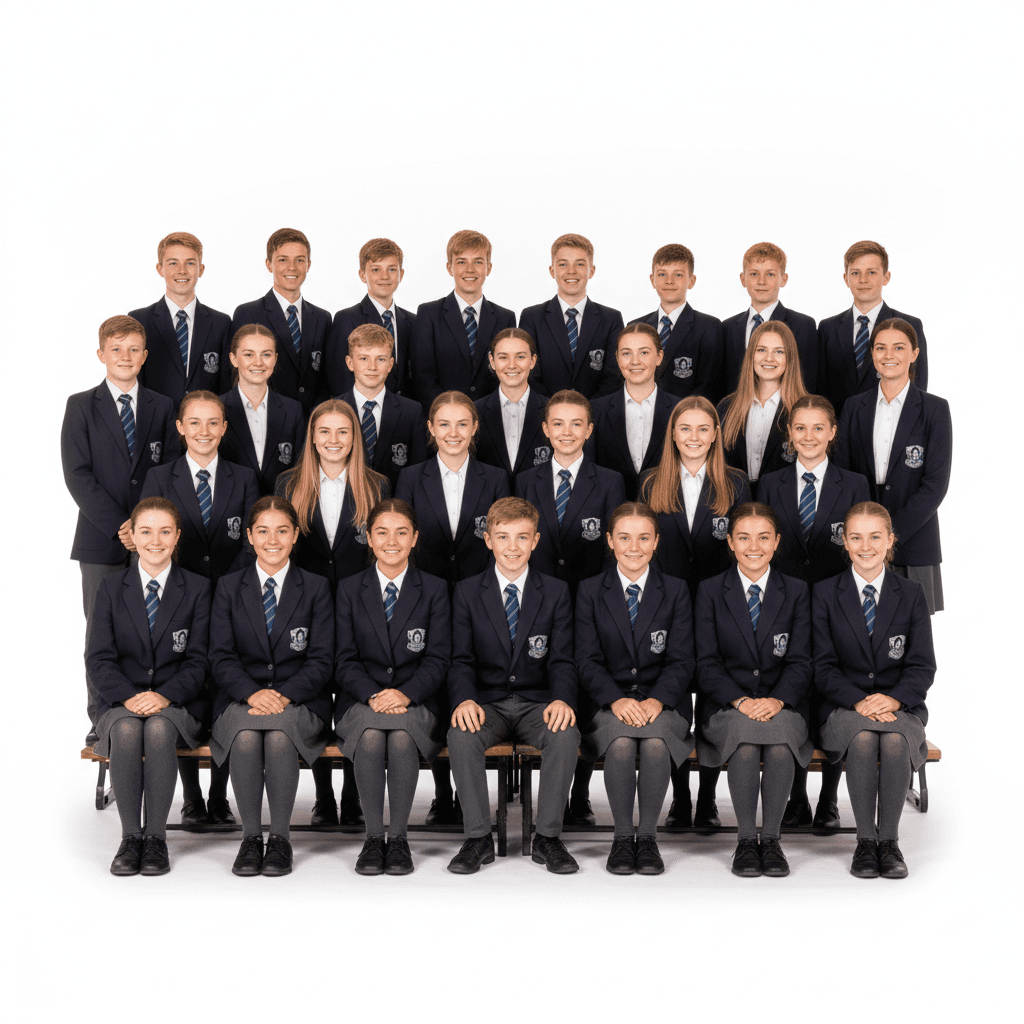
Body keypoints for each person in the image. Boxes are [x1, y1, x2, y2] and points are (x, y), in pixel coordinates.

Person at [141, 389, 259, 825]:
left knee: (223, 692)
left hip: (231, 599)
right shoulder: (159, 477)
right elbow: (156, 538)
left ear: (225, 429)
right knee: (187, 691)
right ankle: (191, 798)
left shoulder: (243, 477)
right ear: (180, 427)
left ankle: (218, 796)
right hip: (180, 601)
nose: (204, 431)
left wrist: (233, 591)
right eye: (195, 422)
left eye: (213, 423)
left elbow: (252, 541)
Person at [446, 498, 580, 875]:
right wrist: (464, 699)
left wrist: (562, 698)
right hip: (486, 702)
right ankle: (477, 838)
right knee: (460, 734)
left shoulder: (554, 591)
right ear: (488, 539)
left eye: (522, 537)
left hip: (537, 701)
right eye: (503, 537)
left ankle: (548, 838)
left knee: (566, 733)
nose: (512, 546)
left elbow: (563, 659)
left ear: (535, 540)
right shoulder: (468, 591)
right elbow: (460, 659)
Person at [62, 315, 179, 744]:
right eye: (116, 350)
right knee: (102, 633)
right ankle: (104, 721)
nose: (125, 357)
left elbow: (166, 469)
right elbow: (77, 475)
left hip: (155, 539)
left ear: (145, 356)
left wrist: (145, 526)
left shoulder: (163, 407)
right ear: (101, 355)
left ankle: (155, 711)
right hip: (100, 540)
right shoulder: (80, 406)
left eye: (133, 350)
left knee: (156, 630)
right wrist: (120, 526)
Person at [394, 390, 509, 825]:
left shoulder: (495, 478)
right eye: (444, 424)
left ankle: (471, 794)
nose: (453, 432)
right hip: (427, 596)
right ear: (430, 428)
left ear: (475, 428)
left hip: (480, 598)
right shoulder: (410, 477)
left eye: (463, 424)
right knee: (438, 687)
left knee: (469, 685)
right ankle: (444, 795)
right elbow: (407, 536)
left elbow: (500, 534)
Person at [757, 394, 871, 830]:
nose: (809, 437)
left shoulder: (854, 483)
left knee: (831, 690)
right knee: (795, 689)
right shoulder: (770, 483)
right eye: (800, 428)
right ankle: (797, 797)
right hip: (782, 601)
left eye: (818, 428)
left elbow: (858, 543)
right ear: (790, 434)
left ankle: (828, 798)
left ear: (832, 432)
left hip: (833, 600)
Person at [638, 395, 752, 828]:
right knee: (672, 698)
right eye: (685, 429)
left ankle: (706, 797)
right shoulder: (652, 482)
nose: (694, 437)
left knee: (709, 695)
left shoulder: (736, 483)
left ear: (716, 434)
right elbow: (641, 542)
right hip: (664, 604)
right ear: (672, 433)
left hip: (719, 604)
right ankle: (680, 797)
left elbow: (746, 541)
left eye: (704, 429)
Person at [275, 399, 390, 825]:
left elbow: (383, 545)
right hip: (307, 605)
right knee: (318, 691)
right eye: (324, 432)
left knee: (360, 689)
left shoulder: (376, 485)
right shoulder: (288, 484)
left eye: (343, 432)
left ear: (355, 437)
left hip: (361, 604)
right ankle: (323, 795)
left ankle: (355, 795)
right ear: (312, 437)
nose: (333, 440)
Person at [516, 389, 626, 826]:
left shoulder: (610, 480)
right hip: (540, 601)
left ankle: (578, 794)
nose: (567, 432)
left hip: (592, 598)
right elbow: (520, 537)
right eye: (558, 424)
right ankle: (549, 795)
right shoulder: (526, 479)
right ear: (545, 430)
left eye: (576, 424)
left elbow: (614, 542)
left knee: (578, 688)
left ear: (590, 430)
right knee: (549, 687)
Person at [209, 497, 334, 876]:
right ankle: (250, 839)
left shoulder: (315, 587)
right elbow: (220, 656)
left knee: (279, 737)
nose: (272, 539)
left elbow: (322, 659)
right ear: (249, 536)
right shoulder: (229, 587)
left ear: (295, 535)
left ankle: (279, 839)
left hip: (299, 701)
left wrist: (283, 694)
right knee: (246, 737)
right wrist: (252, 693)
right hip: (241, 698)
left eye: (282, 530)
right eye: (263, 531)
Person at [88, 497, 211, 876]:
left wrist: (163, 695)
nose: (154, 540)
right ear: (133, 537)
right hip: (120, 701)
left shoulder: (198, 588)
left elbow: (200, 660)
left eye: (164, 531)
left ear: (177, 537)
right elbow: (98, 658)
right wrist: (129, 697)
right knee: (126, 729)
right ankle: (130, 838)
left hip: (178, 702)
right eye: (145, 531)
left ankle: (155, 838)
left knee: (158, 729)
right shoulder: (110, 588)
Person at [812, 502, 935, 878]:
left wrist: (894, 698)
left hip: (901, 706)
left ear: (890, 541)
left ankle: (890, 843)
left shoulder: (911, 594)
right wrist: (859, 700)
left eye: (875, 537)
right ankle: (866, 843)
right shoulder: (825, 593)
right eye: (856, 537)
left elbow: (922, 666)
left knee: (895, 741)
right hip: (842, 707)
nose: (866, 546)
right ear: (845, 543)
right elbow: (822, 665)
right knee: (864, 739)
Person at [575, 503, 695, 875]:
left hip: (665, 703)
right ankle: (622, 838)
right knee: (623, 744)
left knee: (657, 744)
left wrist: (658, 699)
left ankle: (648, 838)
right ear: (610, 541)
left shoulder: (675, 590)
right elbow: (586, 659)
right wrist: (615, 698)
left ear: (656, 542)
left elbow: (682, 659)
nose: (634, 546)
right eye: (624, 537)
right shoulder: (590, 590)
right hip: (609, 703)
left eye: (644, 538)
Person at [694, 503, 813, 877]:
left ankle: (772, 840)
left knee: (778, 743)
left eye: (763, 537)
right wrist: (742, 700)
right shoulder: (710, 590)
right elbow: (705, 662)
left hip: (783, 706)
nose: (753, 546)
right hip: (726, 707)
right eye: (743, 537)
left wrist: (777, 699)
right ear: (730, 542)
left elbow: (802, 661)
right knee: (745, 742)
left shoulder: (796, 591)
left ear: (777, 542)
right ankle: (747, 841)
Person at [335, 500, 451, 875]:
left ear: (414, 538)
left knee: (401, 739)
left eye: (402, 532)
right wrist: (372, 694)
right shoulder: (350, 589)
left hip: (415, 699)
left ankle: (398, 839)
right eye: (382, 532)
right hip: (361, 699)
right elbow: (343, 659)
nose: (392, 541)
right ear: (369, 538)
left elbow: (439, 658)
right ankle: (372, 838)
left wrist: (405, 693)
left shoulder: (434, 589)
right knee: (370, 738)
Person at [836, 319, 951, 614]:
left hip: (914, 541)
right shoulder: (853, 407)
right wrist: (867, 538)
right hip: (861, 546)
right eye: (881, 347)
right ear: (872, 354)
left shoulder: (935, 410)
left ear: (914, 353)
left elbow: (935, 485)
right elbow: (843, 475)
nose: (889, 355)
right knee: (859, 635)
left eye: (899, 347)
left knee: (910, 643)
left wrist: (889, 537)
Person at [818, 240, 928, 417]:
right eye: (855, 273)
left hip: (889, 426)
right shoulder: (827, 328)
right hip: (839, 431)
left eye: (871, 272)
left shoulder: (910, 325)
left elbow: (918, 387)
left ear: (886, 277)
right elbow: (820, 389)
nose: (863, 280)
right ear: (846, 279)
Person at [231, 228, 331, 419]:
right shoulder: (248, 313)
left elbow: (326, 378)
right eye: (283, 260)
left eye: (300, 260)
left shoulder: (323, 318)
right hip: (266, 418)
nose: (292, 267)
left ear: (308, 264)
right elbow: (236, 375)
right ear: (269, 264)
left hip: (313, 421)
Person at [410, 229, 516, 410]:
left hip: (491, 418)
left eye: (478, 262)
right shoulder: (428, 314)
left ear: (488, 268)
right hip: (443, 420)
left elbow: (508, 374)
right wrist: (451, 415)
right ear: (449, 268)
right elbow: (423, 377)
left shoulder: (505, 318)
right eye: (461, 262)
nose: (470, 269)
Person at [130, 231, 233, 405]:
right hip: (156, 424)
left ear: (201, 269)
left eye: (190, 263)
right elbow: (134, 381)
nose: (182, 271)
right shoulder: (139, 321)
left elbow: (226, 385)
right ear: (160, 269)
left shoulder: (221, 323)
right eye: (173, 263)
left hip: (205, 426)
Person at [518, 233, 624, 399]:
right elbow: (527, 374)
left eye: (580, 264)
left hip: (596, 417)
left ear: (592, 271)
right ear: (552, 271)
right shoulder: (532, 317)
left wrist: (586, 413)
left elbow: (614, 376)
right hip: (546, 416)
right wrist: (555, 412)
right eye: (563, 264)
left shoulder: (611, 320)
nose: (571, 271)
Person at [717, 321, 807, 500]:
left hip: (785, 506)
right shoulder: (726, 407)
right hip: (735, 505)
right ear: (751, 355)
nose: (769, 358)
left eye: (779, 352)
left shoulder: (804, 409)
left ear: (790, 358)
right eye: (761, 350)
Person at [336, 323, 428, 494]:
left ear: (390, 364)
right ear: (350, 363)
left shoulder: (411, 411)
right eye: (364, 359)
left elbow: (417, 471)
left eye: (381, 359)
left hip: (394, 505)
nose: (372, 367)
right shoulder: (331, 410)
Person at [588, 323, 677, 498]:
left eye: (644, 352)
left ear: (659, 357)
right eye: (626, 353)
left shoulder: (680, 410)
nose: (635, 361)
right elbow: (590, 471)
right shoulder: (595, 410)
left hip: (666, 511)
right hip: (613, 512)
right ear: (617, 358)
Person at [628, 243, 723, 402]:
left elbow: (708, 386)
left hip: (686, 419)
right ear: (652, 280)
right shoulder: (635, 327)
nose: (669, 281)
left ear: (691, 281)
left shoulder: (709, 327)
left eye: (678, 275)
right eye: (662, 274)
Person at [721, 241, 819, 395]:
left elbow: (808, 382)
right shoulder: (727, 328)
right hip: (735, 413)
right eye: (754, 274)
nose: (761, 281)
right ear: (742, 279)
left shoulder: (803, 326)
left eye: (770, 274)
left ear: (783, 279)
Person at [219, 324, 306, 496]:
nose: (258, 362)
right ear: (234, 359)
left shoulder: (292, 410)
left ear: (275, 358)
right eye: (249, 354)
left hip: (280, 508)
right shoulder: (217, 408)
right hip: (231, 508)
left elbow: (300, 468)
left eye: (266, 354)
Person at [326, 238, 417, 399]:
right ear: (362, 275)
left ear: (401, 274)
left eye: (391, 269)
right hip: (361, 413)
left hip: (405, 414)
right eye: (376, 270)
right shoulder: (346, 319)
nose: (384, 276)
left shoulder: (413, 322)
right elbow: (338, 379)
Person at [472, 327, 551, 490]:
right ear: (492, 361)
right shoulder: (473, 412)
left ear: (533, 360)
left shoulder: (553, 411)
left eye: (520, 357)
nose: (512, 365)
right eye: (503, 357)